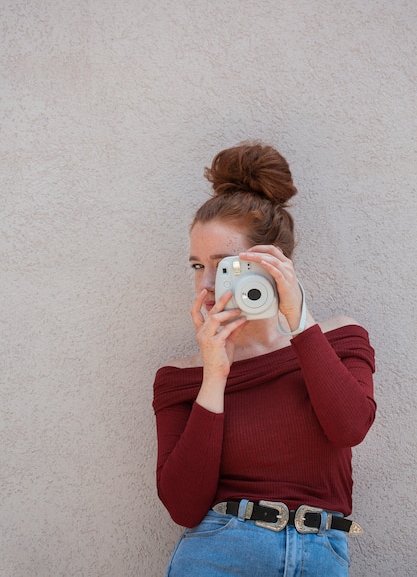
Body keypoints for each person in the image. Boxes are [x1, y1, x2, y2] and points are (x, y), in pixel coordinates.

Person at [153, 142, 376, 577]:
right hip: (218, 554)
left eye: (224, 265)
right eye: (197, 265)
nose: (208, 282)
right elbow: (183, 505)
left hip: (322, 555)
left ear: (274, 263)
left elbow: (350, 426)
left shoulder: (339, 339)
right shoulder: (181, 376)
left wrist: (300, 321)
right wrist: (214, 374)